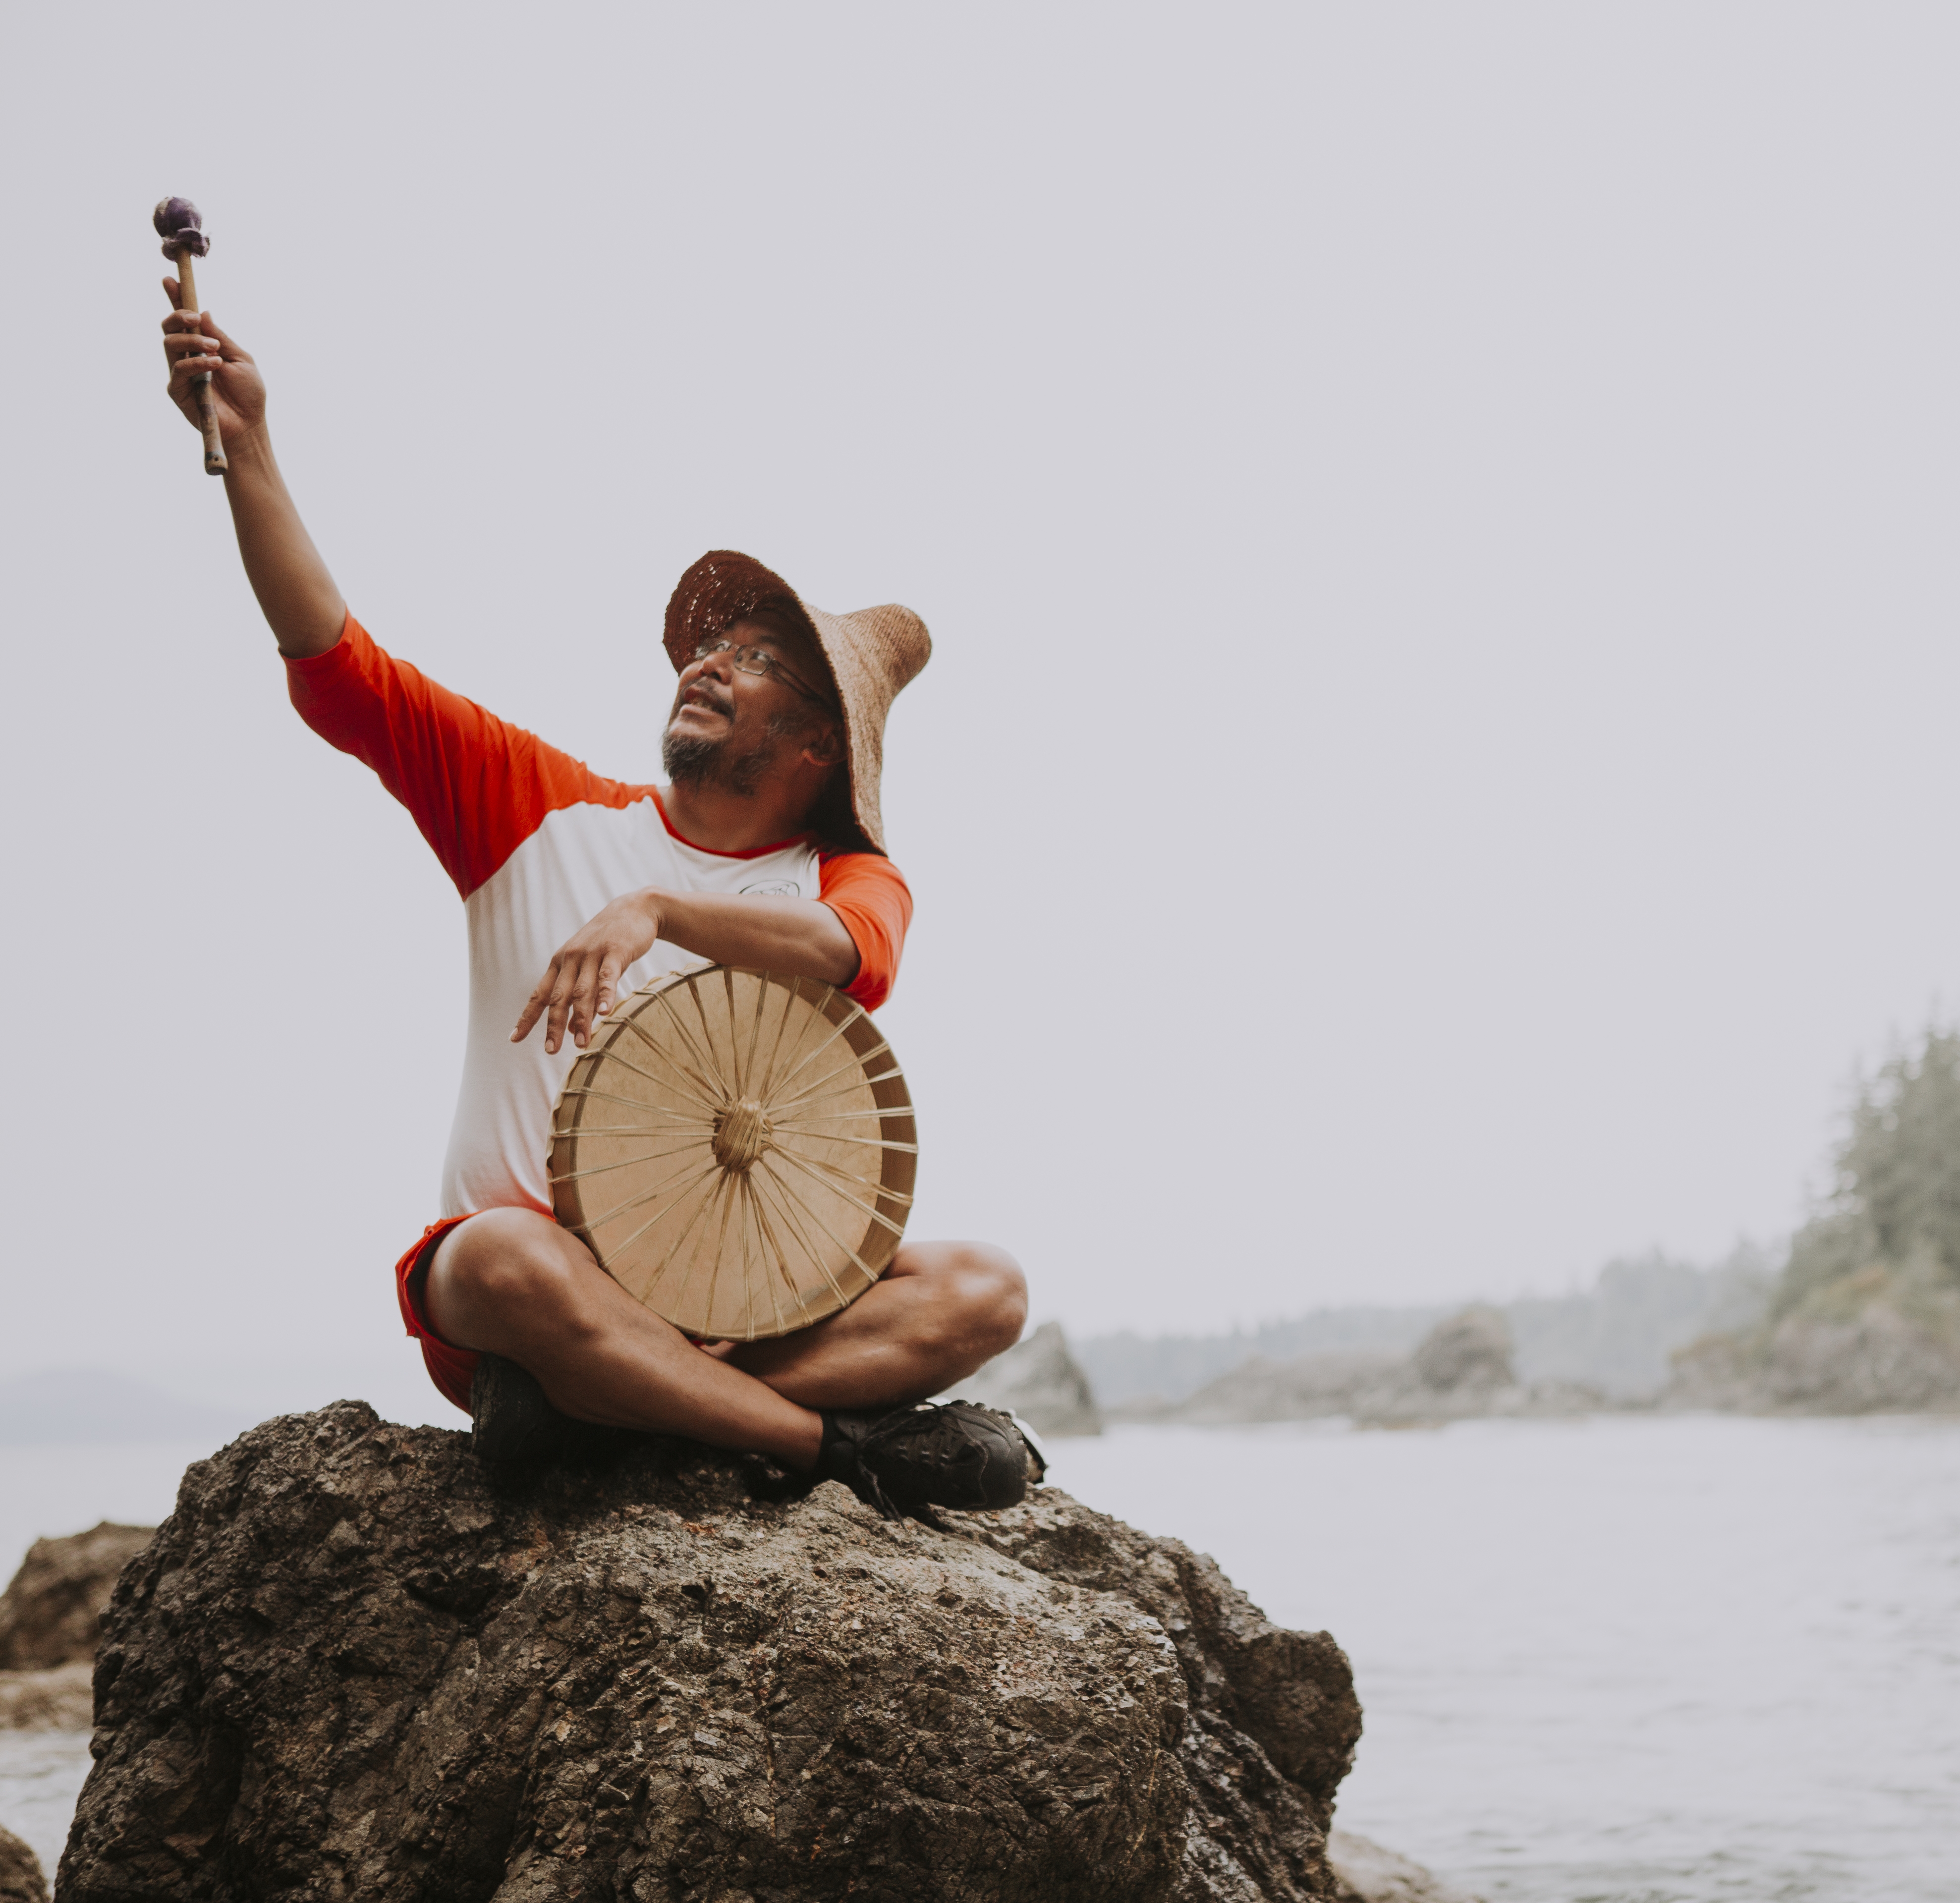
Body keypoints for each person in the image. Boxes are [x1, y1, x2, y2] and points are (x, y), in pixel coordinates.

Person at [160, 281, 1035, 1518]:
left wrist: (663, 917)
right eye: (712, 647)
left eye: (759, 662)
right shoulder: (538, 808)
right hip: (537, 1303)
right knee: (504, 1257)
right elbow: (339, 665)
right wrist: (248, 448)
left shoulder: (842, 878)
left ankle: (615, 1418)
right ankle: (832, 1450)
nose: (710, 664)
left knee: (984, 1288)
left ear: (817, 750)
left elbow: (853, 956)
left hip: (750, 1306)